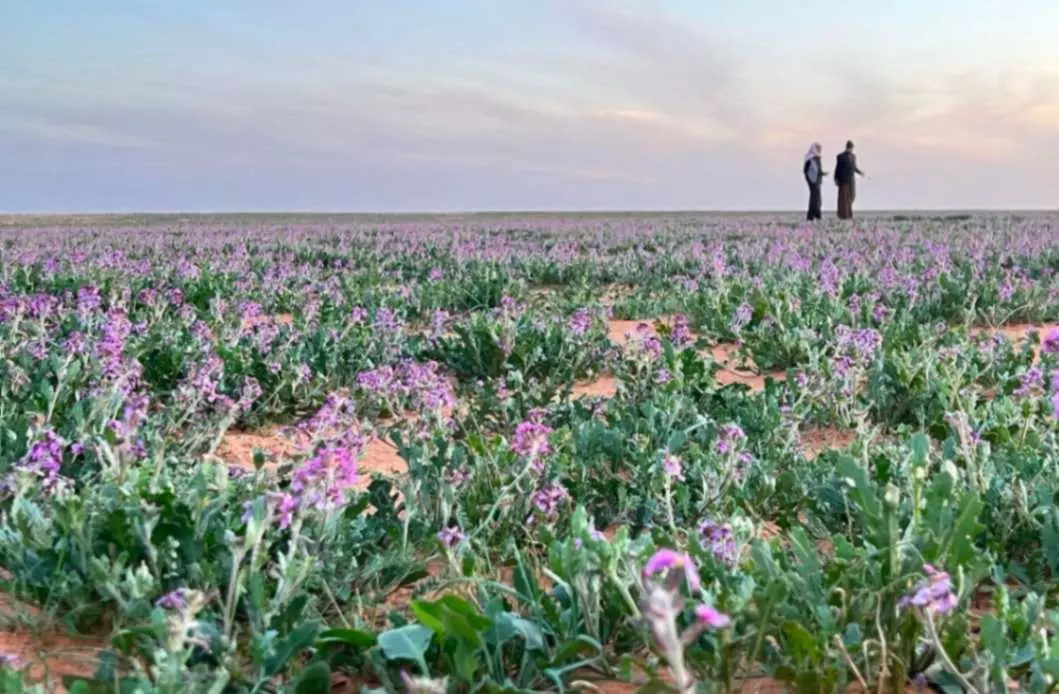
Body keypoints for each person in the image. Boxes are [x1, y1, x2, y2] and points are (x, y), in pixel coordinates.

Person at [834, 140, 865, 220]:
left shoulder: (853, 156)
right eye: (850, 148)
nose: (850, 149)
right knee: (843, 198)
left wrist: (860, 172)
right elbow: (837, 168)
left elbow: (854, 167)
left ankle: (849, 213)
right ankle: (844, 215)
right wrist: (836, 178)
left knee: (851, 197)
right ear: (847, 147)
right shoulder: (840, 156)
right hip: (843, 180)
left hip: (851, 180)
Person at [802, 142, 827, 221]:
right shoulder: (810, 159)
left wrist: (822, 173)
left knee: (817, 198)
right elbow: (806, 171)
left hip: (817, 181)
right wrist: (810, 180)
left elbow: (818, 170)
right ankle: (812, 216)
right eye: (818, 148)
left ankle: (816, 215)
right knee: (814, 198)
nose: (820, 150)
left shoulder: (817, 158)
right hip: (813, 181)